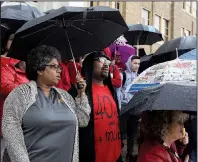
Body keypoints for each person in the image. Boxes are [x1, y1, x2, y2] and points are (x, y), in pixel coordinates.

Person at [2, 45, 91, 162]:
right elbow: (11, 135)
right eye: (54, 67)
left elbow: (83, 120)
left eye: (59, 67)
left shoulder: (64, 96)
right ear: (39, 69)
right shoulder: (20, 95)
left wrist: (81, 94)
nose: (59, 70)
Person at [79, 51, 122, 162]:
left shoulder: (111, 91)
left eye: (108, 61)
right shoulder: (81, 91)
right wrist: (80, 94)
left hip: (114, 154)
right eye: (101, 60)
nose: (106, 64)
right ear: (89, 64)